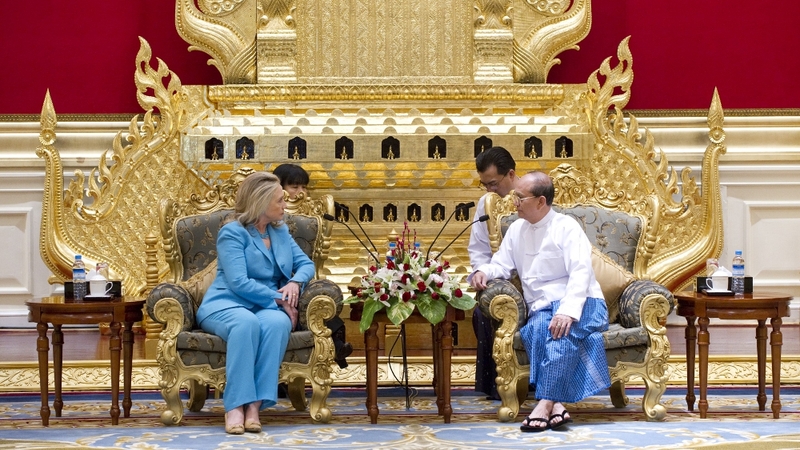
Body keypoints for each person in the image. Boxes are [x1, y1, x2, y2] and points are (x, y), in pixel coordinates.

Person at [469, 172, 611, 432]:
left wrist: (568, 312)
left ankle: (543, 404)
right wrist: (483, 272)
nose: (514, 202)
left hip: (582, 303)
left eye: (520, 197)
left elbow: (581, 272)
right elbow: (501, 264)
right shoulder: (516, 229)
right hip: (543, 308)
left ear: (541, 201)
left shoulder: (566, 227)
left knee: (560, 335)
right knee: (535, 330)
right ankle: (557, 406)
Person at [196, 172, 314, 434]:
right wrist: (280, 298)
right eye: (280, 200)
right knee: (246, 323)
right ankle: (235, 406)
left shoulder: (281, 231)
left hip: (267, 307)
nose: (286, 205)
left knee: (276, 324)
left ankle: (255, 406)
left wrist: (295, 283)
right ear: (261, 203)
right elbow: (238, 282)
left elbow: (306, 264)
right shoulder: (233, 233)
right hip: (227, 304)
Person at [272, 163, 353, 369]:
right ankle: (337, 347)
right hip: (271, 292)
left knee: (320, 301)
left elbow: (306, 264)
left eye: (304, 187)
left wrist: (296, 281)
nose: (301, 193)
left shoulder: (289, 228)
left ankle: (336, 348)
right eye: (294, 187)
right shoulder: (252, 228)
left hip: (296, 286)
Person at [468, 147, 519, 400]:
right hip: (500, 282)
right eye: (484, 184)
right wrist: (481, 272)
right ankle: (500, 384)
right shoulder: (485, 204)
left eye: (494, 184)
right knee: (484, 310)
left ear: (511, 175)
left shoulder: (534, 197)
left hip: (536, 280)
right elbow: (478, 249)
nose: (489, 190)